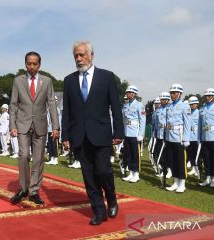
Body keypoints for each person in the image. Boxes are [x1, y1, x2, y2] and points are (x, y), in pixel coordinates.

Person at [61, 41, 124, 225]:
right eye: (75, 56)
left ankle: (111, 197)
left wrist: (118, 131)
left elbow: (116, 107)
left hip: (102, 134)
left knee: (103, 171)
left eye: (81, 55)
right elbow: (67, 110)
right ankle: (98, 211)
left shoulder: (106, 77)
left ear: (91, 55)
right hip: (79, 136)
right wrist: (65, 135)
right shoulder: (69, 80)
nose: (78, 59)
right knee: (88, 176)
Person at [9, 51, 59, 205]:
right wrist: (12, 125)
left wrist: (56, 126)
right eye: (29, 63)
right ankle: (24, 189)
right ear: (25, 64)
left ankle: (34, 191)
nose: (31, 66)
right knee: (23, 156)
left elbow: (51, 104)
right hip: (22, 125)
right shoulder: (18, 81)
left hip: (41, 125)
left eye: (34, 63)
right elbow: (13, 104)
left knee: (38, 160)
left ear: (39, 65)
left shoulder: (47, 81)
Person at [164, 83, 191, 193]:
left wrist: (186, 138)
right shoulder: (169, 106)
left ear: (179, 94)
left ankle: (182, 183)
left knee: (180, 161)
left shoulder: (185, 106)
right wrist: (166, 137)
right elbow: (167, 123)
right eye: (171, 93)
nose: (172, 95)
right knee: (172, 160)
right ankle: (175, 182)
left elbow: (187, 123)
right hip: (170, 136)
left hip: (179, 137)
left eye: (174, 93)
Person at [122, 85, 146, 183]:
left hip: (135, 133)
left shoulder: (139, 105)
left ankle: (136, 174)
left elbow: (143, 120)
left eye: (131, 93)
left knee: (135, 155)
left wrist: (141, 134)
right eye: (128, 92)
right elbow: (124, 120)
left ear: (135, 94)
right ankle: (131, 173)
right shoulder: (125, 105)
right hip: (127, 132)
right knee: (128, 154)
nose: (129, 94)